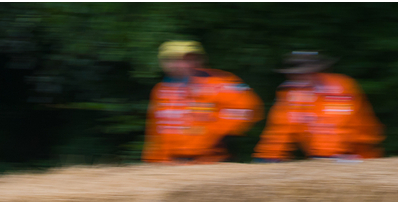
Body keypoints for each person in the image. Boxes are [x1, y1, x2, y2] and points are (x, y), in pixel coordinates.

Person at [144, 41, 263, 163]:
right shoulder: (160, 89)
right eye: (173, 60)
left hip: (211, 161)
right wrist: (155, 160)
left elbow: (249, 109)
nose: (181, 65)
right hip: (171, 163)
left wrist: (213, 133)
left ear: (199, 60)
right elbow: (155, 128)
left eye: (188, 60)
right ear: (163, 63)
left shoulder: (220, 81)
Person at [254, 51, 384, 162]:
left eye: (302, 72)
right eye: (293, 73)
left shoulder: (340, 88)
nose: (296, 77)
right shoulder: (290, 92)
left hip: (357, 155)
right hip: (322, 157)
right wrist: (268, 157)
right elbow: (280, 128)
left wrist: (323, 158)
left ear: (316, 72)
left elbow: (334, 126)